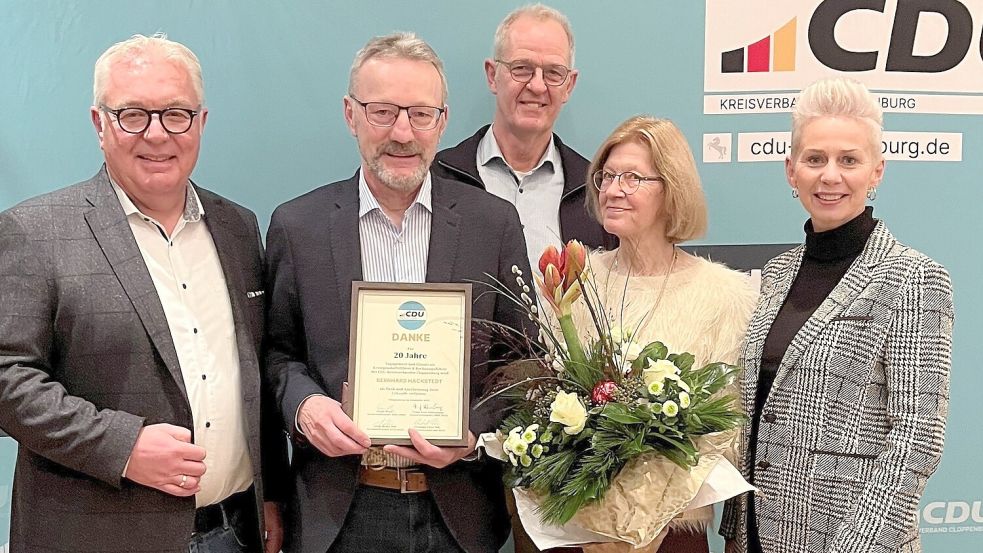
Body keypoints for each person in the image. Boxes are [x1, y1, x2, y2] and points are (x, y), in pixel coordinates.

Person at [0, 33, 287, 553]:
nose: (157, 135)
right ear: (100, 124)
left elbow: (254, 374)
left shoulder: (239, 228)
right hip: (96, 537)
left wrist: (273, 497)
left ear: (201, 123)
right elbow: (5, 376)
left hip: (235, 530)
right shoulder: (34, 231)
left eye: (176, 114)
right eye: (133, 114)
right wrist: (123, 445)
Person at [263, 32, 532, 553]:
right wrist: (305, 405)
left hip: (459, 515)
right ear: (351, 114)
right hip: (339, 513)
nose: (403, 133)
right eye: (383, 112)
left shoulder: (492, 224)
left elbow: (522, 360)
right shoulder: (299, 225)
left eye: (421, 114)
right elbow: (277, 353)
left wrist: (472, 433)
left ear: (443, 120)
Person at [719, 78, 953, 553]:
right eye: (815, 159)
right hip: (756, 536)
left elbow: (917, 434)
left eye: (849, 160)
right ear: (791, 171)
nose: (830, 176)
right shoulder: (774, 274)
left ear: (877, 172)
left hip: (849, 541)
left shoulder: (914, 278)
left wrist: (856, 544)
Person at [557, 116, 756, 553]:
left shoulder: (725, 294)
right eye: (606, 176)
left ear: (672, 189)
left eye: (632, 178)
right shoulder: (577, 280)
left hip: (674, 535)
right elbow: (552, 405)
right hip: (580, 532)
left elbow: (729, 431)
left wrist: (648, 513)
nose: (611, 190)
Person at [433, 3, 616, 275]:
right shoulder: (438, 178)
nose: (538, 86)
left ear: (569, 85)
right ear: (492, 75)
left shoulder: (597, 190)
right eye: (522, 68)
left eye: (553, 73)